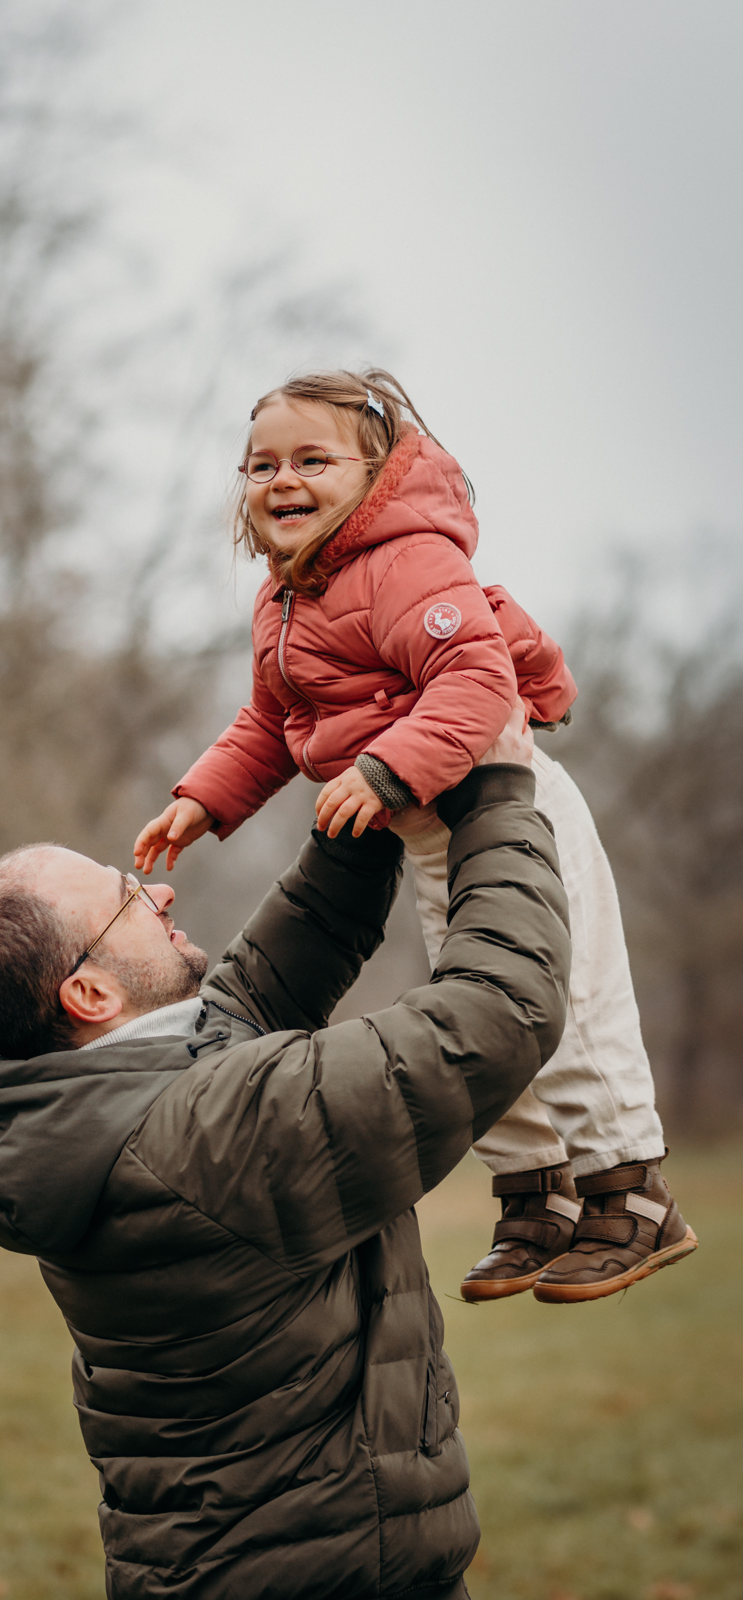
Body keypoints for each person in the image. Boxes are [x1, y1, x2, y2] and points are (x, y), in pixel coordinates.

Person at [0, 706, 567, 1600]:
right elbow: (499, 1014)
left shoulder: (87, 1118)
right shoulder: (207, 1136)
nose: (158, 892)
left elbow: (253, 995)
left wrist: (369, 799)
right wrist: (499, 787)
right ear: (89, 990)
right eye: (126, 899)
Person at [135, 368, 695, 1304]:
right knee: (475, 1011)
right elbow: (269, 724)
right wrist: (204, 799)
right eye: (260, 464)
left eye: (312, 458)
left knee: (573, 997)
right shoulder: (282, 604)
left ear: (376, 473)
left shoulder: (408, 560)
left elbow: (476, 680)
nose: (282, 479)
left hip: (509, 805)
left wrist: (385, 770)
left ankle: (629, 1193)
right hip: (431, 833)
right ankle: (535, 1196)